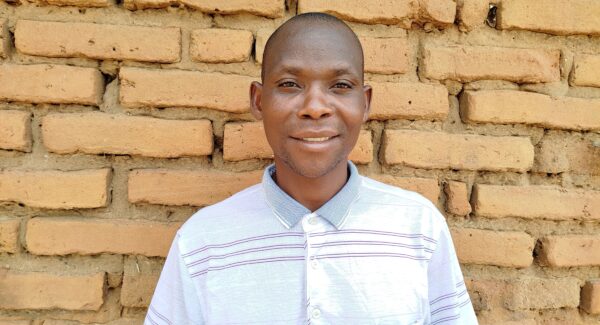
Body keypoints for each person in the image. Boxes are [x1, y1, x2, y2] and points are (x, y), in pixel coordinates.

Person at [145, 12, 478, 325]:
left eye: (340, 86)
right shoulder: (202, 242)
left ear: (365, 104)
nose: (315, 108)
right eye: (290, 84)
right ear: (259, 101)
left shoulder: (418, 228)